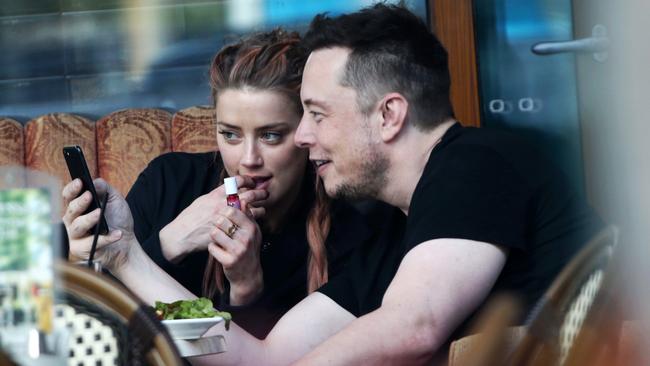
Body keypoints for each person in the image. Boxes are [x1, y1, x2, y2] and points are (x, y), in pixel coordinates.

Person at [64, 4, 603, 365]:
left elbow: (416, 326)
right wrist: (127, 258)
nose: (302, 136)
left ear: (389, 115)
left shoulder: (475, 163)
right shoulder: (397, 236)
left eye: (317, 114)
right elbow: (260, 356)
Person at [62, 28, 403, 339]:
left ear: (306, 132)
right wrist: (169, 242)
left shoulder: (353, 223)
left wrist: (246, 290)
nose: (248, 159)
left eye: (271, 136)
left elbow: (254, 356)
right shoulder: (170, 181)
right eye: (230, 134)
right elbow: (106, 322)